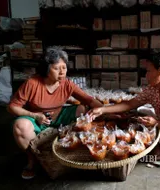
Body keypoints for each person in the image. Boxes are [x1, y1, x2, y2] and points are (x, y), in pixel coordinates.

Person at [7, 47, 103, 179]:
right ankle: (32, 160)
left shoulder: (66, 84)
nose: (62, 72)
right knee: (20, 126)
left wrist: (107, 110)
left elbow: (89, 101)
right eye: (57, 68)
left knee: (82, 109)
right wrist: (34, 115)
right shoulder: (32, 83)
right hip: (37, 119)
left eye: (64, 67)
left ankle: (70, 150)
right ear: (47, 69)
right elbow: (12, 107)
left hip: (59, 117)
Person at [88, 50, 160, 164]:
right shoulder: (153, 88)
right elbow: (130, 104)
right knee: (141, 111)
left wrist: (156, 123)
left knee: (143, 126)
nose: (146, 75)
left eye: (148, 71)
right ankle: (154, 145)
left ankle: (157, 153)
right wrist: (102, 109)